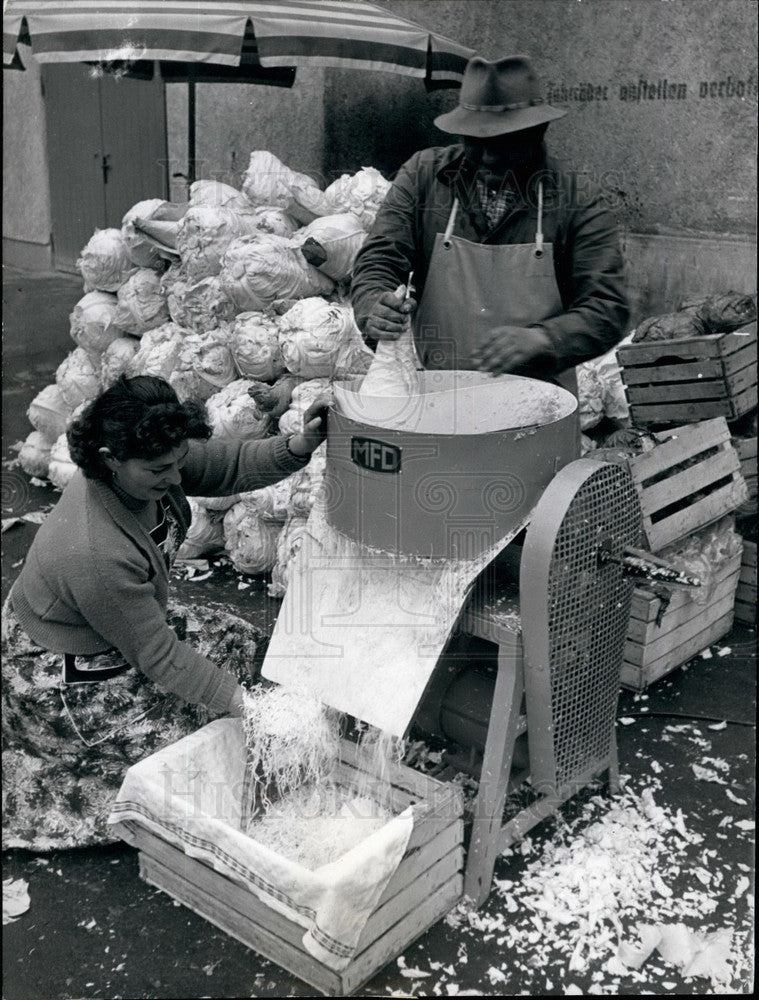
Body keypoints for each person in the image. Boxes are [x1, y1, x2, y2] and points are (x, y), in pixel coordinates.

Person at [2, 375, 326, 850]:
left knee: (238, 644)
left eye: (178, 463)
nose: (175, 478)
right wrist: (248, 708)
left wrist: (300, 445)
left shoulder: (154, 453)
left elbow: (226, 464)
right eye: (160, 471)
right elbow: (158, 654)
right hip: (60, 667)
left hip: (120, 627)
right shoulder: (94, 551)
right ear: (110, 461)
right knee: (181, 750)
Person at [350, 54, 630, 393]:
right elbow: (379, 260)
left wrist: (544, 338)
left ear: (539, 131)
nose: (489, 157)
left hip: (539, 400)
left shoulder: (576, 198)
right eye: (476, 142)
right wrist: (373, 305)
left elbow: (607, 308)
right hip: (438, 393)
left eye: (505, 143)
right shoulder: (424, 176)